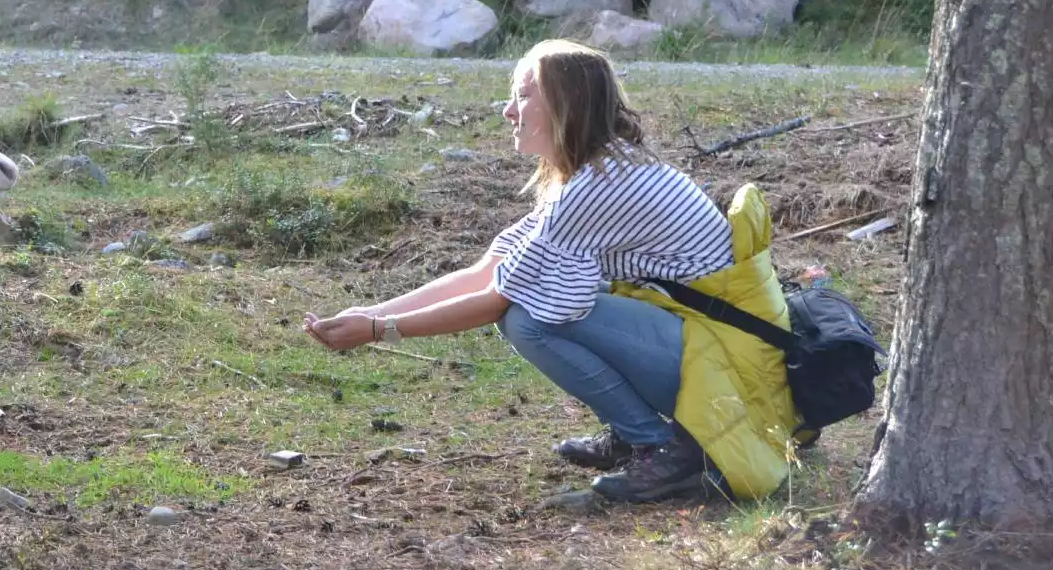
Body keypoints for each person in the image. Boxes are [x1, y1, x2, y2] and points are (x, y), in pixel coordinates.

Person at [302, 39, 799, 503]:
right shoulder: (595, 169)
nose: (508, 111)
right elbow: (489, 271)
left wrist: (378, 331)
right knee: (529, 310)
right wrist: (373, 312)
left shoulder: (600, 184)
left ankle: (663, 448)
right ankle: (636, 436)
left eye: (522, 97)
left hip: (731, 365)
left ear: (567, 105)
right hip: (716, 348)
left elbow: (496, 298)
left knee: (529, 319)